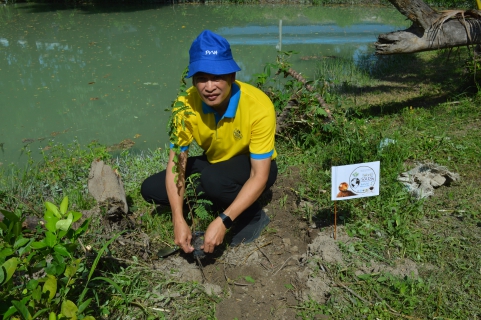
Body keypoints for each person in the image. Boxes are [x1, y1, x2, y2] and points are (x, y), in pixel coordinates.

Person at [141, 30, 277, 255]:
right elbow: (177, 168)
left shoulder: (258, 106)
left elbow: (259, 175)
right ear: (193, 80)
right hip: (214, 163)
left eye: (217, 77)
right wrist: (178, 218)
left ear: (232, 77)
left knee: (213, 179)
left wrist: (223, 221)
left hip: (253, 166)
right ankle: (215, 198)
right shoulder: (184, 106)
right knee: (151, 189)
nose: (209, 87)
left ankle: (253, 216)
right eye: (202, 78)